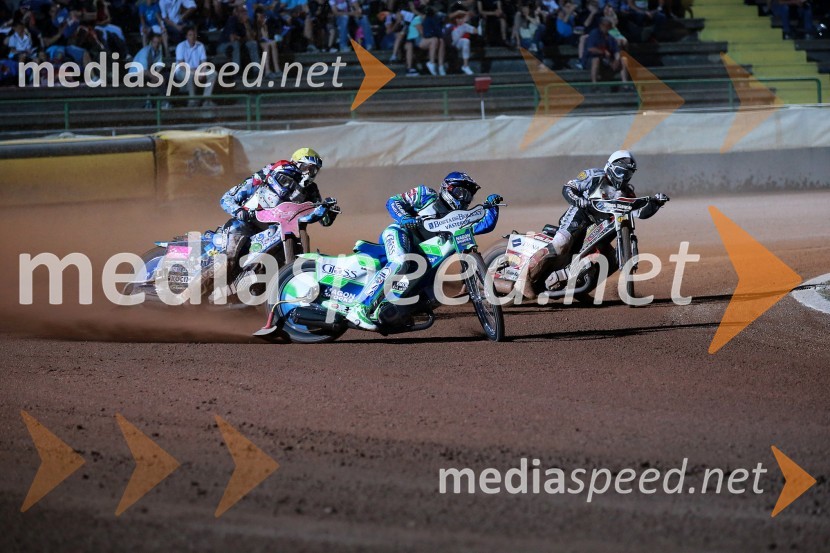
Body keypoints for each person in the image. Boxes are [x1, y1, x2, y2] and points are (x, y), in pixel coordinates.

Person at [344, 172, 503, 330]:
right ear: (447, 188)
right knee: (401, 261)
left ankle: (391, 312)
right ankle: (361, 307)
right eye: (460, 192)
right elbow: (394, 201)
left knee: (433, 297)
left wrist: (492, 208)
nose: (464, 198)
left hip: (425, 254)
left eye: (469, 195)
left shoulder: (459, 219)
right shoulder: (425, 194)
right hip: (400, 232)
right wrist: (405, 217)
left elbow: (484, 226)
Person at [515, 150, 669, 299]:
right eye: (621, 172)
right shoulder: (594, 175)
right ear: (610, 167)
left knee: (613, 259)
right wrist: (577, 199)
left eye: (628, 174)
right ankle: (524, 278)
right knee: (561, 244)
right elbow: (569, 188)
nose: (624, 178)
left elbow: (638, 213)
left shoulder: (627, 193)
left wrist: (655, 204)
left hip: (600, 227)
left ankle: (580, 289)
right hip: (581, 214)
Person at [219, 157, 338, 279]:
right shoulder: (269, 172)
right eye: (306, 167)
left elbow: (323, 220)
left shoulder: (311, 189)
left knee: (283, 261)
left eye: (313, 170)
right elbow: (227, 198)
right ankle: (215, 274)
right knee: (230, 255)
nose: (308, 173)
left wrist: (328, 211)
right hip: (250, 221)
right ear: (295, 163)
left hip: (283, 230)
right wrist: (238, 210)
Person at [173, 26, 216, 106]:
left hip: (197, 70)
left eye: (194, 35)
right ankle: (192, 100)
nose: (193, 37)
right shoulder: (181, 46)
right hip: (182, 71)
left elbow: (203, 62)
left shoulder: (200, 45)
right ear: (186, 36)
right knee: (189, 75)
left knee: (213, 73)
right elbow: (182, 65)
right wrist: (195, 72)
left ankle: (206, 100)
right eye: (190, 35)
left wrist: (202, 72)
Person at [582, 17, 628, 84]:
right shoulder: (594, 33)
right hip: (591, 60)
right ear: (601, 25)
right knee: (596, 60)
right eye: (607, 26)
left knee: (624, 59)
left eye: (609, 27)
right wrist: (603, 51)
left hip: (607, 60)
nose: (608, 28)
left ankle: (625, 84)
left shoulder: (610, 36)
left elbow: (616, 50)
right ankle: (594, 84)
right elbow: (590, 49)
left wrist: (617, 60)